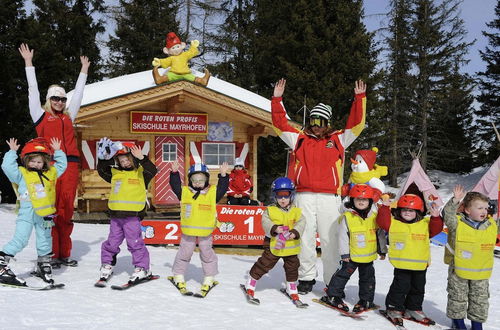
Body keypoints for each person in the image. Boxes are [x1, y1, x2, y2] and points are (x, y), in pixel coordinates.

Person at [272, 78, 367, 294]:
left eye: (320, 121)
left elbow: (357, 124)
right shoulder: (299, 139)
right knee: (305, 238)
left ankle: (333, 280)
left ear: (327, 123)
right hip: (304, 195)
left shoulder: (338, 139)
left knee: (330, 240)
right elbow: (280, 124)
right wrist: (277, 100)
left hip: (329, 197)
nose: (315, 125)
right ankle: (306, 278)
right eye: (313, 120)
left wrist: (359, 99)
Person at [19, 43, 90, 268]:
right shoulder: (40, 116)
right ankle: (49, 253)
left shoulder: (69, 116)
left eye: (62, 100)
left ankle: (63, 253)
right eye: (55, 99)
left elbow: (78, 94)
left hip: (69, 165)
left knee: (66, 208)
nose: (59, 103)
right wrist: (28, 63)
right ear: (49, 100)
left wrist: (83, 71)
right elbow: (32, 90)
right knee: (49, 209)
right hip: (47, 167)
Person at [0, 137, 66, 285]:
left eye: (39, 161)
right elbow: (7, 167)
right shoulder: (22, 173)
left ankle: (43, 263)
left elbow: (62, 166)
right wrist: (12, 152)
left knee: (45, 240)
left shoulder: (51, 173)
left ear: (45, 162)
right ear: (26, 160)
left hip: (45, 215)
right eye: (33, 161)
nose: (36, 164)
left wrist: (58, 151)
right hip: (27, 213)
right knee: (21, 239)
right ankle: (2, 262)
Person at [96, 139, 158, 283]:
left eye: (127, 159)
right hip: (116, 215)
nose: (125, 163)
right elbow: (101, 170)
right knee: (112, 242)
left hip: (133, 216)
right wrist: (102, 159)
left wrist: (142, 158)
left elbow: (153, 170)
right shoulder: (115, 173)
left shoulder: (141, 173)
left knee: (135, 242)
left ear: (133, 159)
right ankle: (107, 264)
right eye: (121, 160)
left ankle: (142, 268)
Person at [376, 194, 443, 326]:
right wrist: (385, 207)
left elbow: (436, 229)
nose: (407, 212)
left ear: (417, 212)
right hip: (402, 264)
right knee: (400, 288)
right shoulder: (394, 223)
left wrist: (436, 217)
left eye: (411, 210)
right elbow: (382, 222)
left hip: (420, 265)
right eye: (404, 210)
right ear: (399, 210)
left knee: (418, 289)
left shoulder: (424, 224)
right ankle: (394, 308)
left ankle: (413, 308)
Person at [321, 184, 386, 312]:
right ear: (352, 201)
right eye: (358, 199)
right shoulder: (348, 217)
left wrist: (382, 250)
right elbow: (342, 237)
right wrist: (345, 254)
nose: (361, 202)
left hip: (368, 256)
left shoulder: (374, 217)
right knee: (341, 276)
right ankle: (333, 296)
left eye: (364, 199)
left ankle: (366, 300)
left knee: (368, 280)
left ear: (370, 201)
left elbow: (380, 235)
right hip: (351, 256)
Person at [169, 160, 229, 295]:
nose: (197, 182)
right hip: (188, 231)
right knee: (185, 252)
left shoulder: (212, 193)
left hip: (205, 232)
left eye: (201, 179)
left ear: (207, 180)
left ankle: (209, 277)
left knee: (207, 254)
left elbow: (223, 188)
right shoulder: (184, 192)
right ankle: (178, 274)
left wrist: (223, 175)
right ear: (190, 180)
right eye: (194, 179)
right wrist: (174, 173)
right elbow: (175, 185)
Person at [442, 185, 497, 330]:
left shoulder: (492, 225)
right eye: (479, 208)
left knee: (479, 301)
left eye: (486, 208)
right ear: (467, 210)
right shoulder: (457, 224)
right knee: (457, 298)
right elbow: (447, 214)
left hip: (481, 273)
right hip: (459, 271)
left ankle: (477, 325)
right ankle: (458, 323)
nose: (484, 211)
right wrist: (455, 200)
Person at [244, 177, 305, 301]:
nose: (283, 199)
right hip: (274, 245)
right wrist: (275, 228)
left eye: (286, 195)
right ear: (275, 196)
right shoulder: (270, 210)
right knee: (265, 264)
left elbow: (302, 222)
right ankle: (251, 281)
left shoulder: (296, 211)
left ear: (291, 195)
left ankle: (291, 287)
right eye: (279, 195)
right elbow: (265, 222)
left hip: (290, 247)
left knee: (293, 267)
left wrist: (295, 232)